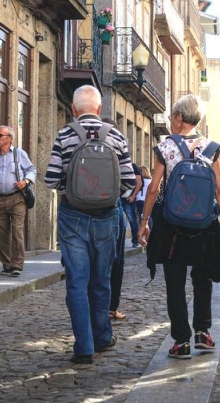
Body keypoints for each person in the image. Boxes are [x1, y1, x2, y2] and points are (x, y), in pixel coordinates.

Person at [44, 86, 135, 364]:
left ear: (73, 109)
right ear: (99, 109)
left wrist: (72, 189)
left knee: (77, 281)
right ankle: (102, 337)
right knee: (101, 280)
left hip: (73, 216)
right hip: (107, 218)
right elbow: (130, 182)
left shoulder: (65, 134)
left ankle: (83, 347)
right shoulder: (117, 136)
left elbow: (51, 179)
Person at [139, 94, 220, 360]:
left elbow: (154, 189)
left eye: (172, 116)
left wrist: (144, 222)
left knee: (175, 283)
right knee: (202, 279)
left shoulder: (165, 148)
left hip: (172, 226)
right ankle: (203, 332)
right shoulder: (212, 147)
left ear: (180, 118)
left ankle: (182, 340)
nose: (171, 120)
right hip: (205, 225)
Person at [0, 125, 37, 277]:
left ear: (9, 138)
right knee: (0, 234)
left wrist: (26, 181)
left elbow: (32, 170)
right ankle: (7, 264)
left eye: (0, 135)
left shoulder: (19, 154)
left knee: (17, 231)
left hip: (17, 198)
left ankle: (17, 265)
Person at [108, 121, 142, 323]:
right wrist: (116, 195)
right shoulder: (118, 142)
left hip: (80, 209)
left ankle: (90, 308)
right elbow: (130, 180)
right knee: (116, 261)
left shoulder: (74, 137)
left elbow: (54, 177)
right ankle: (112, 308)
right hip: (113, 207)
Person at [136, 166, 151, 231]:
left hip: (139, 200)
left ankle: (140, 231)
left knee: (140, 217)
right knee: (148, 217)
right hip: (148, 201)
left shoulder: (138, 181)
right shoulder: (151, 181)